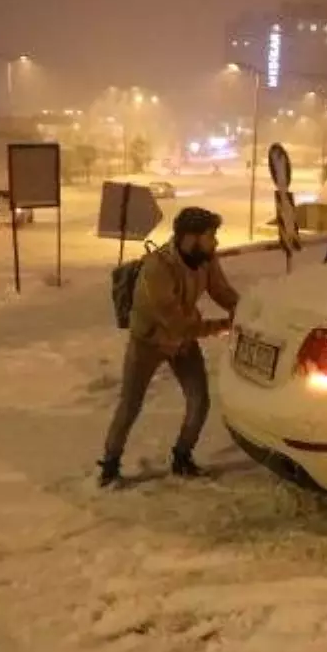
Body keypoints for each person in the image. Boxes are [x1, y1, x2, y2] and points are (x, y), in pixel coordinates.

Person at [98, 207, 239, 487]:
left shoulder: (205, 259)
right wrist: (225, 325)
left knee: (199, 400)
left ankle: (182, 457)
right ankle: (110, 464)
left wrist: (245, 310)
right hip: (148, 342)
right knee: (130, 404)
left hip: (183, 342)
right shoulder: (157, 268)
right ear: (190, 238)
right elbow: (177, 323)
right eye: (210, 236)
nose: (216, 242)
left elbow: (222, 291)